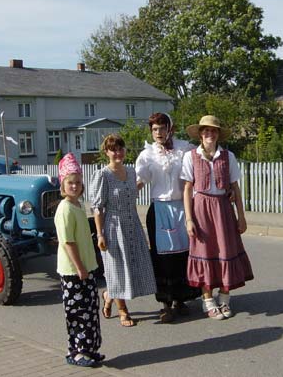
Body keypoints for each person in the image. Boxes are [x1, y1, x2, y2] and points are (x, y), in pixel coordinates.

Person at [181, 115, 254, 320]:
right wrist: (189, 219)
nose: (209, 134)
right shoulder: (191, 156)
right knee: (205, 251)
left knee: (225, 249)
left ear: (218, 134)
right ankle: (208, 301)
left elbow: (235, 188)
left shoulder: (227, 156)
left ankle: (224, 297)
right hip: (201, 208)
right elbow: (187, 189)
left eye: (213, 131)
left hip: (222, 208)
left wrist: (241, 216)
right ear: (200, 134)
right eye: (205, 131)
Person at [135, 113, 202, 323]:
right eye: (154, 129)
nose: (158, 133)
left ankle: (182, 299)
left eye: (162, 128)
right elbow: (138, 181)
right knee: (162, 258)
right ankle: (165, 303)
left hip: (183, 207)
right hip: (160, 208)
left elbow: (200, 169)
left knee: (184, 254)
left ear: (170, 128)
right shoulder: (147, 155)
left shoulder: (185, 149)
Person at [90, 134, 156, 327]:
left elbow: (134, 192)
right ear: (106, 152)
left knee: (133, 266)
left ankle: (109, 294)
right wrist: (100, 233)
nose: (118, 152)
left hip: (132, 222)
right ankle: (122, 311)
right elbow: (97, 207)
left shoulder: (130, 171)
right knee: (117, 268)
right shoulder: (103, 175)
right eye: (113, 149)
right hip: (113, 225)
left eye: (120, 148)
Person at [54, 153, 103, 368]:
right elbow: (68, 243)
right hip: (74, 271)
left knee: (90, 310)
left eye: (77, 182)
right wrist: (80, 267)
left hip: (86, 268)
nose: (74, 186)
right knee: (78, 313)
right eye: (70, 183)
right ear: (63, 185)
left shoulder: (77, 205)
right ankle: (76, 352)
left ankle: (89, 349)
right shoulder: (64, 209)